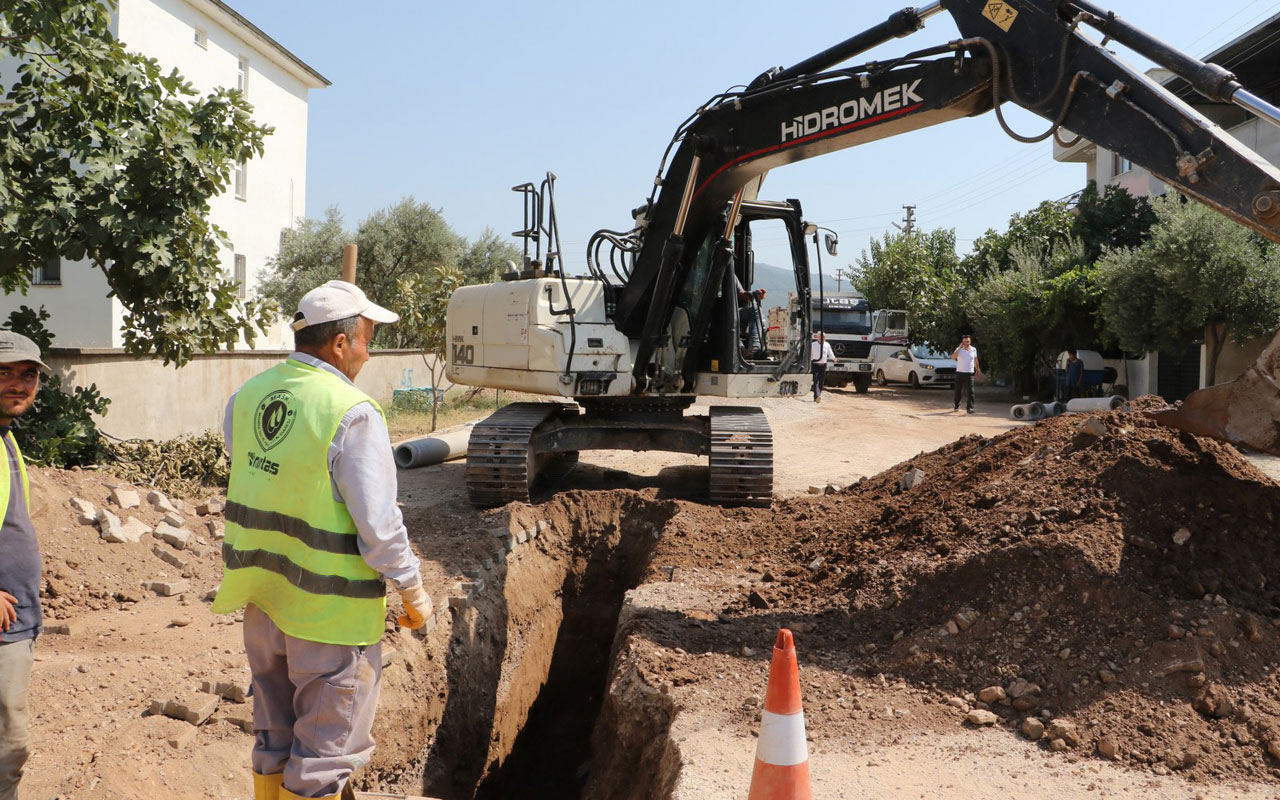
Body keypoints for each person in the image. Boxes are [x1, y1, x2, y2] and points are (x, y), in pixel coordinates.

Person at [214, 281, 433, 800]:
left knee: (274, 737)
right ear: (340, 343)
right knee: (324, 756)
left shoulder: (248, 395)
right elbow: (378, 525)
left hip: (263, 604)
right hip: (328, 616)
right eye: (366, 337)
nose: (369, 349)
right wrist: (411, 589)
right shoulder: (352, 411)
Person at [0, 332, 48, 800]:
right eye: (5, 372)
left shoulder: (6, 440)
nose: (19, 383)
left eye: (28, 375)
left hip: (17, 620)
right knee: (7, 750)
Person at [733, 273, 766, 357]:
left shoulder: (730, 275)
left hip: (732, 311)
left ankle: (754, 348)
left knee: (755, 310)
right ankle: (740, 349)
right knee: (728, 315)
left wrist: (754, 294)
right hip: (716, 312)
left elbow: (741, 294)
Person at [951, 334, 981, 414]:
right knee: (958, 391)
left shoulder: (973, 349)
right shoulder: (959, 349)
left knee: (970, 391)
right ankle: (957, 405)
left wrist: (977, 369)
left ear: (970, 341)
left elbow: (975, 359)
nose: (966, 343)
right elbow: (953, 357)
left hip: (969, 373)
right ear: (962, 342)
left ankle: (970, 408)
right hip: (960, 372)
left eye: (968, 341)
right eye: (964, 342)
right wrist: (960, 348)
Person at [810, 331, 835, 403]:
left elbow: (830, 352)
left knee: (821, 381)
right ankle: (818, 396)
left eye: (824, 337)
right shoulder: (813, 345)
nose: (823, 338)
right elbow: (810, 355)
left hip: (823, 365)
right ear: (817, 337)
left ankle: (817, 396)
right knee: (816, 381)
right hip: (815, 365)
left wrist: (834, 358)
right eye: (821, 336)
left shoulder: (827, 344)